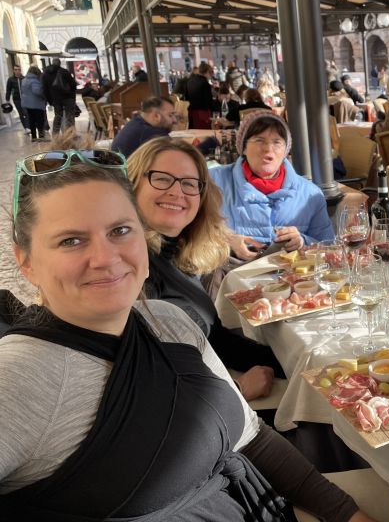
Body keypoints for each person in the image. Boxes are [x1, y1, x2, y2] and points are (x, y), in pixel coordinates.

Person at [0, 149, 369, 521]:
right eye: (70, 241)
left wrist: (347, 514)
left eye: (120, 230)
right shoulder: (19, 376)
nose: (105, 257)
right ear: (26, 261)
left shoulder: (167, 320)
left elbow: (252, 437)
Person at [126, 138, 282, 402]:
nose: (178, 192)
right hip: (205, 410)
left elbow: (214, 339)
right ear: (132, 185)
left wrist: (292, 363)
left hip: (214, 385)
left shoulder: (179, 253)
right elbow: (143, 389)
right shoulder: (129, 269)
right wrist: (238, 389)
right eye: (162, 179)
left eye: (189, 183)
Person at [209, 111, 335, 256]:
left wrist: (302, 242)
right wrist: (227, 242)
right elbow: (190, 233)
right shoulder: (214, 183)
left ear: (286, 150)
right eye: (259, 140)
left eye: (277, 142)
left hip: (292, 277)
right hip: (233, 274)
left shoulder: (310, 194)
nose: (268, 149)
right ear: (243, 148)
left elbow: (329, 247)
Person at [111, 96, 177, 156]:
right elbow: (175, 156)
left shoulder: (135, 123)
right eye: (170, 115)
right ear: (156, 116)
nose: (175, 120)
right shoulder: (151, 133)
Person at [42, 58, 78, 134]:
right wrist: (72, 96)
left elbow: (45, 89)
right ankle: (70, 134)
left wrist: (50, 101)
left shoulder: (46, 74)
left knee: (58, 116)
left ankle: (55, 135)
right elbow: (73, 84)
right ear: (59, 63)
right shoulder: (64, 72)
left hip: (55, 99)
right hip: (67, 97)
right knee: (70, 116)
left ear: (52, 63)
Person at [20, 66, 47, 143]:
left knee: (31, 120)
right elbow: (37, 91)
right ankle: (41, 136)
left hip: (27, 104)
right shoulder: (34, 81)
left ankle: (34, 137)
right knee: (39, 120)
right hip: (36, 104)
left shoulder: (24, 80)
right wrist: (43, 95)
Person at [185, 61, 216, 129]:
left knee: (194, 133)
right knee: (204, 133)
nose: (210, 76)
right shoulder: (205, 83)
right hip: (202, 113)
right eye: (210, 74)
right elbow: (208, 102)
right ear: (207, 72)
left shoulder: (190, 81)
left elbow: (186, 97)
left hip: (191, 112)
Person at [4, 65, 27, 130]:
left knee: (26, 112)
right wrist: (7, 100)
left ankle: (28, 127)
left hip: (25, 99)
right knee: (21, 113)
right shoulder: (10, 79)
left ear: (20, 70)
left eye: (18, 69)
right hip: (16, 99)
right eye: (15, 70)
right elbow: (8, 90)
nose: (17, 71)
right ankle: (26, 128)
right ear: (13, 71)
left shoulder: (24, 78)